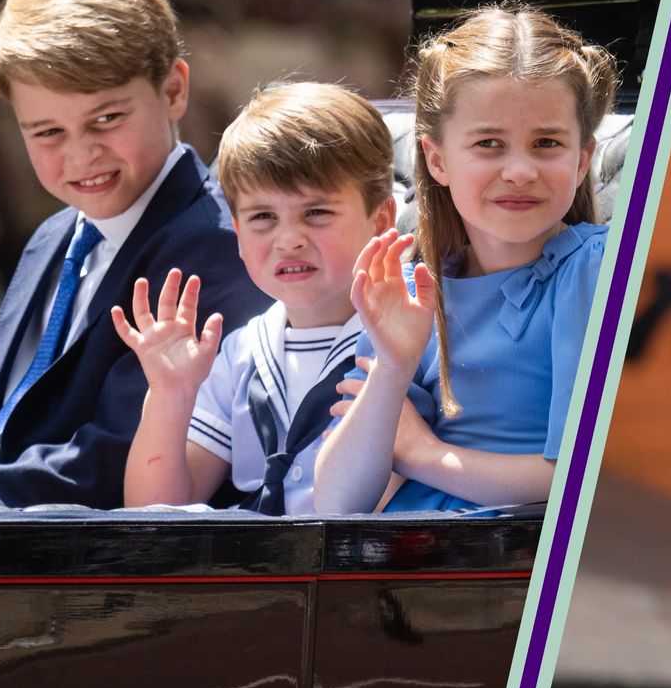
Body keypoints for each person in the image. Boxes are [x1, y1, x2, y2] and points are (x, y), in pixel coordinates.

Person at [0, 0, 269, 509]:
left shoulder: (218, 249)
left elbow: (112, 457)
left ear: (174, 90)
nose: (81, 155)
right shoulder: (55, 236)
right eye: (47, 132)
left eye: (106, 119)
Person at [313, 5, 618, 514]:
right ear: (437, 160)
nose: (519, 170)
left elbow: (582, 475)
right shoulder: (410, 290)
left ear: (582, 158)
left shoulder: (593, 269)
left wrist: (422, 453)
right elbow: (337, 503)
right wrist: (393, 365)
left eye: (546, 143)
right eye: (489, 144)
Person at [112, 82, 435, 516]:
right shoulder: (238, 352)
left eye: (316, 213)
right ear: (238, 233)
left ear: (381, 220)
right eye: (263, 217)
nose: (289, 240)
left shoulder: (414, 335)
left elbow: (367, 511)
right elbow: (155, 510)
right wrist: (169, 395)